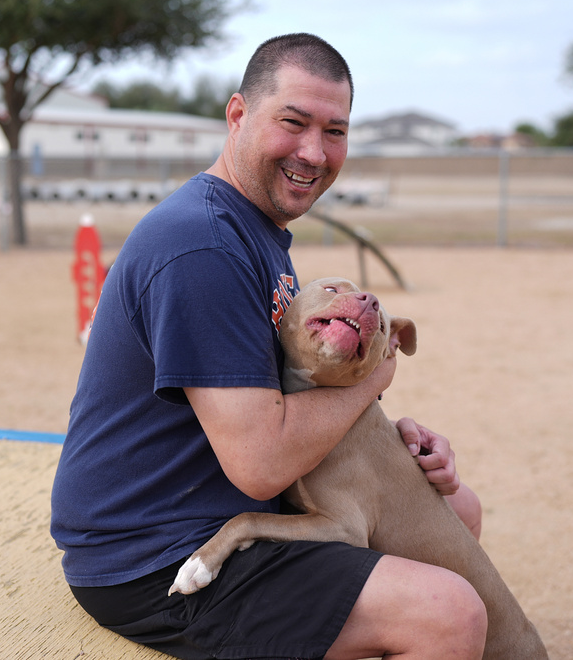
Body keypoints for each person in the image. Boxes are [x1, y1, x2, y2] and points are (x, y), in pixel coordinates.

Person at [51, 33, 486, 660]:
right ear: (237, 115)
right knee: (447, 616)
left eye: (334, 131)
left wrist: (390, 449)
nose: (314, 152)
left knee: (457, 512)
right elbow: (260, 461)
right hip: (154, 555)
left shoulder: (253, 230)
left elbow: (287, 392)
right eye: (293, 122)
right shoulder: (202, 245)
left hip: (220, 507)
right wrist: (375, 378)